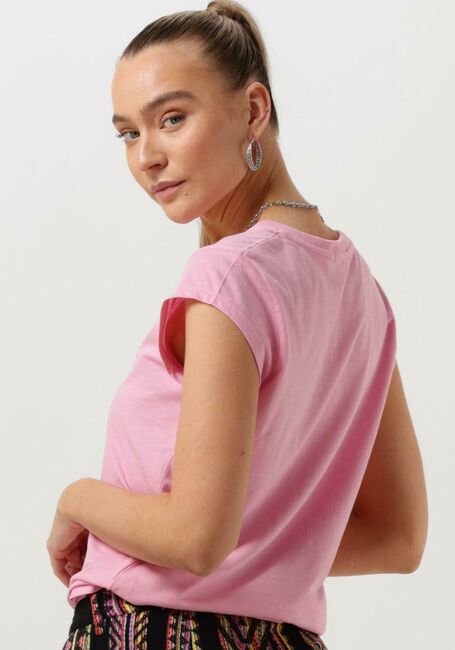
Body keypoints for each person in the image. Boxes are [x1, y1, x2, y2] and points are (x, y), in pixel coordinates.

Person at [49, 1, 428, 648]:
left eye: (172, 119)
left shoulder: (227, 276)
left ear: (253, 110)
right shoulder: (358, 288)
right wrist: (263, 561)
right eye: (128, 134)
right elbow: (398, 536)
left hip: (153, 630)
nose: (147, 156)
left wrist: (77, 499)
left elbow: (197, 538)